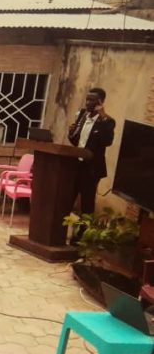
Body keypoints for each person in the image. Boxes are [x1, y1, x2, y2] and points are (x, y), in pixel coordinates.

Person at [68, 87, 116, 243]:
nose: (88, 102)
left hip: (91, 170)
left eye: (92, 100)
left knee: (86, 206)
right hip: (76, 166)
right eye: (87, 99)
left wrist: (102, 116)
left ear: (100, 102)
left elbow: (107, 141)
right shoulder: (82, 115)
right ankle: (60, 232)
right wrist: (71, 133)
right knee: (67, 199)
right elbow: (76, 141)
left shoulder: (107, 121)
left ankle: (81, 238)